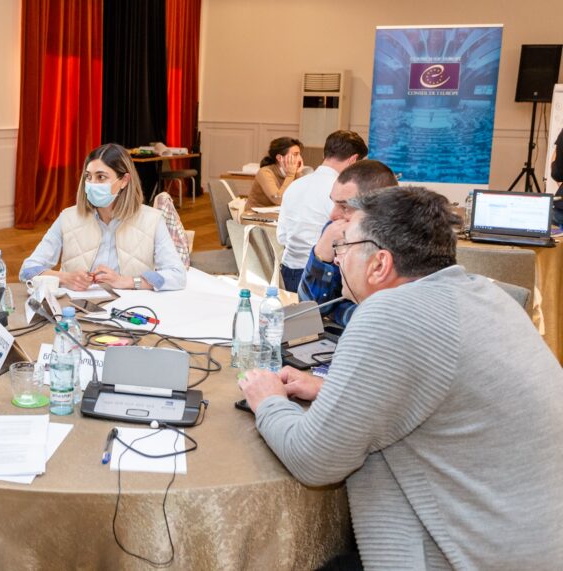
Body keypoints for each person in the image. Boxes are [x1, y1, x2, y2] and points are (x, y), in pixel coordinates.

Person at [238, 187, 563, 569]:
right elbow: (441, 398)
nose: (337, 257)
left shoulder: (391, 313)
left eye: (344, 245)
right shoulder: (484, 295)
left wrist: (269, 400)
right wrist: (334, 390)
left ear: (379, 264)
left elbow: (313, 460)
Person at [20, 143, 186, 292]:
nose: (92, 184)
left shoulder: (152, 220)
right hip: (77, 309)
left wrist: (127, 281)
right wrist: (65, 278)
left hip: (132, 309)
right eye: (88, 176)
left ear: (124, 180)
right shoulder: (67, 218)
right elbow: (27, 270)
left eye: (101, 177)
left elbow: (177, 275)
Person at [297, 159, 398, 326]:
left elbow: (385, 318)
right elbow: (310, 309)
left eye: (345, 207)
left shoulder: (405, 241)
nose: (332, 215)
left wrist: (334, 311)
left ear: (380, 209)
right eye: (333, 203)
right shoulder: (335, 232)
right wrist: (320, 255)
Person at [276, 130, 367, 291]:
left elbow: (281, 237)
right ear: (353, 160)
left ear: (325, 153)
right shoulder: (340, 191)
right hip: (320, 276)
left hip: (286, 273)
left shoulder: (294, 185)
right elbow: (349, 241)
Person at [246, 137, 305, 209]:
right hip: (255, 214)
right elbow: (278, 200)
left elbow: (304, 198)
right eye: (295, 154)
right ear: (279, 158)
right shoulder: (265, 172)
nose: (300, 159)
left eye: (300, 154)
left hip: (279, 214)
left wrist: (298, 174)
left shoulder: (295, 173)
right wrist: (290, 175)